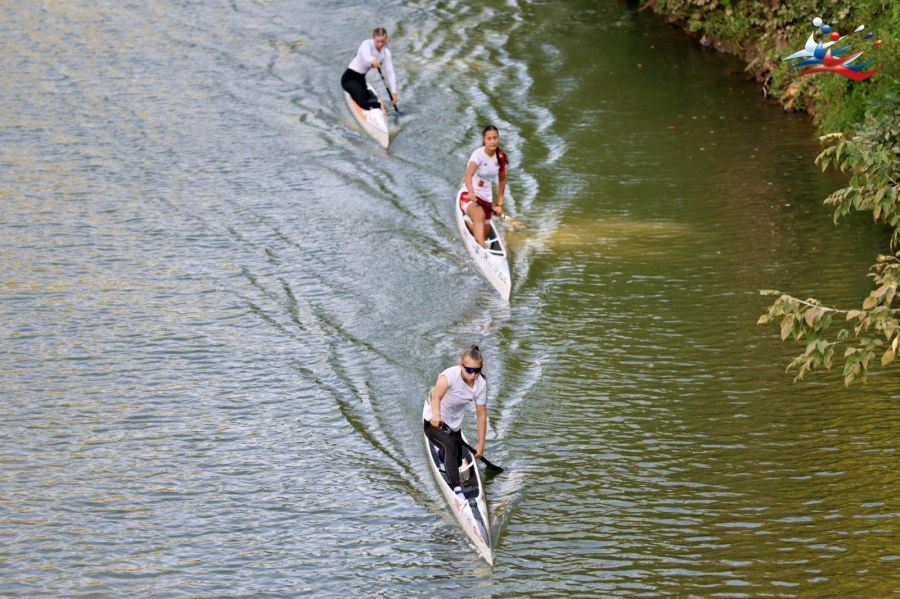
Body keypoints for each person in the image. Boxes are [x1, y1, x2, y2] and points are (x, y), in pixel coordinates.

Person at [423, 345, 488, 496]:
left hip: (454, 428)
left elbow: (481, 415)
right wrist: (436, 415)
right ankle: (457, 491)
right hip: (434, 423)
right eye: (469, 370)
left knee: (457, 461)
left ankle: (443, 455)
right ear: (461, 365)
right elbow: (436, 397)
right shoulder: (449, 376)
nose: (473, 375)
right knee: (451, 445)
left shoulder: (481, 384)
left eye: (477, 371)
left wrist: (481, 444)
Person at [459, 125, 508, 248]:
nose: (492, 141)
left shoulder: (500, 157)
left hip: (486, 199)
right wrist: (471, 192)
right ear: (484, 140)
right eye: (489, 138)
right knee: (479, 216)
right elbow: (468, 176)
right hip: (469, 196)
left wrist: (499, 205)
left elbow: (502, 180)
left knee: (484, 235)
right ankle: (481, 251)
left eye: (495, 138)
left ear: (498, 138)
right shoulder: (478, 155)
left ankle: (468, 224)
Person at [340, 27, 398, 111]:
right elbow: (365, 55)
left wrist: (394, 92)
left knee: (369, 99)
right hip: (349, 78)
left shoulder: (386, 53)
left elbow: (390, 72)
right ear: (373, 38)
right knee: (361, 97)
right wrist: (373, 60)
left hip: (361, 79)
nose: (380, 44)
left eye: (383, 41)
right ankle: (365, 111)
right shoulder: (366, 44)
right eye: (378, 41)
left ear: (386, 39)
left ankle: (380, 111)